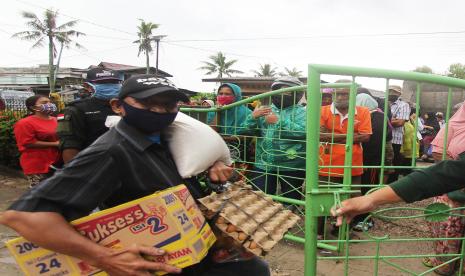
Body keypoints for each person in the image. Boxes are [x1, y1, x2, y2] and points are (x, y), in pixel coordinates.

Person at [1, 75, 270, 276]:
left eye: (169, 105)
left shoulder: (167, 140)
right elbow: (24, 217)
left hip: (189, 253)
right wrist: (105, 257)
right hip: (154, 261)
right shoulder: (111, 151)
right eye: (149, 104)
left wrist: (214, 176)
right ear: (118, 106)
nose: (161, 112)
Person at [244, 76, 306, 201]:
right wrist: (252, 117)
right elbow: (246, 131)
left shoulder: (303, 112)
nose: (282, 95)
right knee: (260, 199)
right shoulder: (264, 110)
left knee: (291, 199)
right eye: (278, 91)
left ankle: (290, 219)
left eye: (287, 92)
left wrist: (279, 122)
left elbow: (304, 133)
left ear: (298, 94)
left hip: (292, 165)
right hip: (263, 164)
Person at [421, 103, 465, 275]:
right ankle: (444, 264)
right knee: (446, 222)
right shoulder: (453, 126)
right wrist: (458, 175)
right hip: (452, 186)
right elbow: (438, 153)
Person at [57, 68, 121, 164]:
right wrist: (75, 175)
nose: (110, 86)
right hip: (94, 165)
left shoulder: (130, 104)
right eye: (103, 83)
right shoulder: (75, 109)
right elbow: (70, 146)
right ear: (88, 86)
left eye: (114, 82)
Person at [350, 93, 390, 231]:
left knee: (367, 189)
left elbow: (374, 142)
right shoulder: (372, 116)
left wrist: (365, 162)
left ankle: (365, 219)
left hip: (369, 162)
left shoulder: (377, 118)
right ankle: (355, 216)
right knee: (356, 189)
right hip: (360, 161)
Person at [13, 95, 60, 188]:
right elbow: (27, 143)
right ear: (33, 107)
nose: (49, 104)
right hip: (37, 164)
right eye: (44, 103)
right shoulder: (24, 123)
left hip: (56, 162)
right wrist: (55, 144)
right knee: (40, 194)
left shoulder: (56, 120)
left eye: (49, 102)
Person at [387, 85, 411, 183]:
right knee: (382, 164)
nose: (391, 93)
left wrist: (385, 120)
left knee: (393, 164)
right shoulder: (382, 102)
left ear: (399, 94)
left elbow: (400, 122)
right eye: (390, 91)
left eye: (394, 92)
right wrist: (392, 119)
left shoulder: (403, 105)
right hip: (382, 139)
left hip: (395, 140)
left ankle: (391, 187)